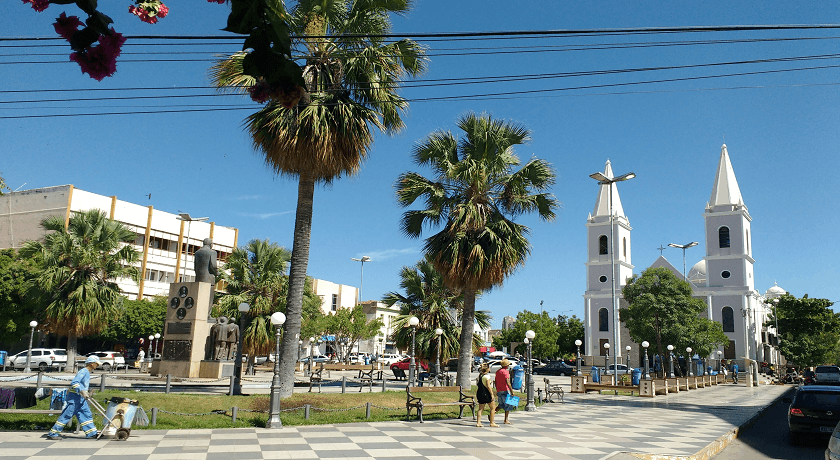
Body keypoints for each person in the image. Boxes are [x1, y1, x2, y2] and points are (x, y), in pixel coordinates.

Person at [46, 355, 102, 439]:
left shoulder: (87, 372)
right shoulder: (83, 371)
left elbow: (83, 384)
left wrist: (86, 392)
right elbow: (74, 382)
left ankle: (91, 433)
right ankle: (53, 433)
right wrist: (81, 391)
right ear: (91, 363)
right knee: (66, 416)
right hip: (74, 398)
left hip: (81, 399)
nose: (97, 365)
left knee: (86, 415)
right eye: (96, 364)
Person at [475, 363, 499, 427]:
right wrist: (492, 394)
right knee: (492, 408)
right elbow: (488, 386)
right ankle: (492, 422)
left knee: (480, 409)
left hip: (480, 393)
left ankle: (478, 422)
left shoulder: (480, 376)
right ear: (487, 369)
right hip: (486, 393)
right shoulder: (487, 376)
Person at [494, 358, 516, 425]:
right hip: (506, 390)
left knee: (501, 404)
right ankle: (506, 419)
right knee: (508, 405)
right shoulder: (506, 372)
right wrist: (512, 391)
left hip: (499, 390)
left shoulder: (498, 371)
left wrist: (497, 389)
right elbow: (508, 382)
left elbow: (495, 381)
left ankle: (492, 413)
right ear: (506, 365)